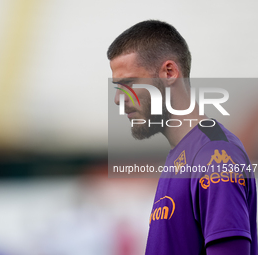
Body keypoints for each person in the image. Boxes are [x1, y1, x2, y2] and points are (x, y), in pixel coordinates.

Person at [107, 20, 257, 255]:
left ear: (169, 72)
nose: (119, 99)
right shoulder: (182, 153)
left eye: (128, 84)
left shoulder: (215, 155)